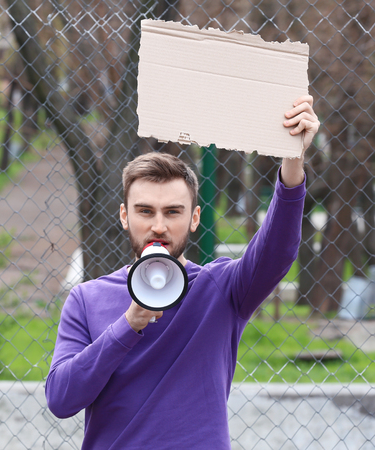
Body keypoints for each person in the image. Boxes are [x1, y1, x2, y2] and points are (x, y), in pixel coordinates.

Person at [46, 95, 320, 449]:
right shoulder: (87, 299)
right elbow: (61, 399)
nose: (158, 226)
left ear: (193, 219)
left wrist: (293, 160)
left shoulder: (221, 289)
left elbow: (277, 251)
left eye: (173, 212)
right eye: (145, 211)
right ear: (125, 217)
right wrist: (128, 325)